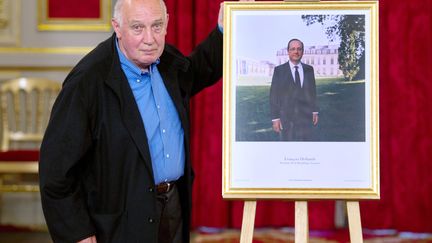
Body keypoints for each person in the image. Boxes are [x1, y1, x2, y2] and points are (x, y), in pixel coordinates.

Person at [38, 0, 223, 242]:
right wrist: (77, 233)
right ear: (117, 27)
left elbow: (198, 69)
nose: (150, 39)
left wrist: (222, 31)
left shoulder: (167, 60)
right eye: (138, 28)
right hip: (120, 220)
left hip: (173, 206)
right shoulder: (87, 81)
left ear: (167, 22)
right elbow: (56, 169)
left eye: (157, 26)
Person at [269, 38, 319, 141]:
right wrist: (275, 118)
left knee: (306, 147)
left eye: (299, 49)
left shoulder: (309, 69)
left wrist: (315, 111)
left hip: (306, 118)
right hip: (286, 120)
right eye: (293, 49)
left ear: (302, 51)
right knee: (287, 149)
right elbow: (274, 95)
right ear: (288, 51)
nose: (296, 51)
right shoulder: (279, 71)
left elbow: (312, 91)